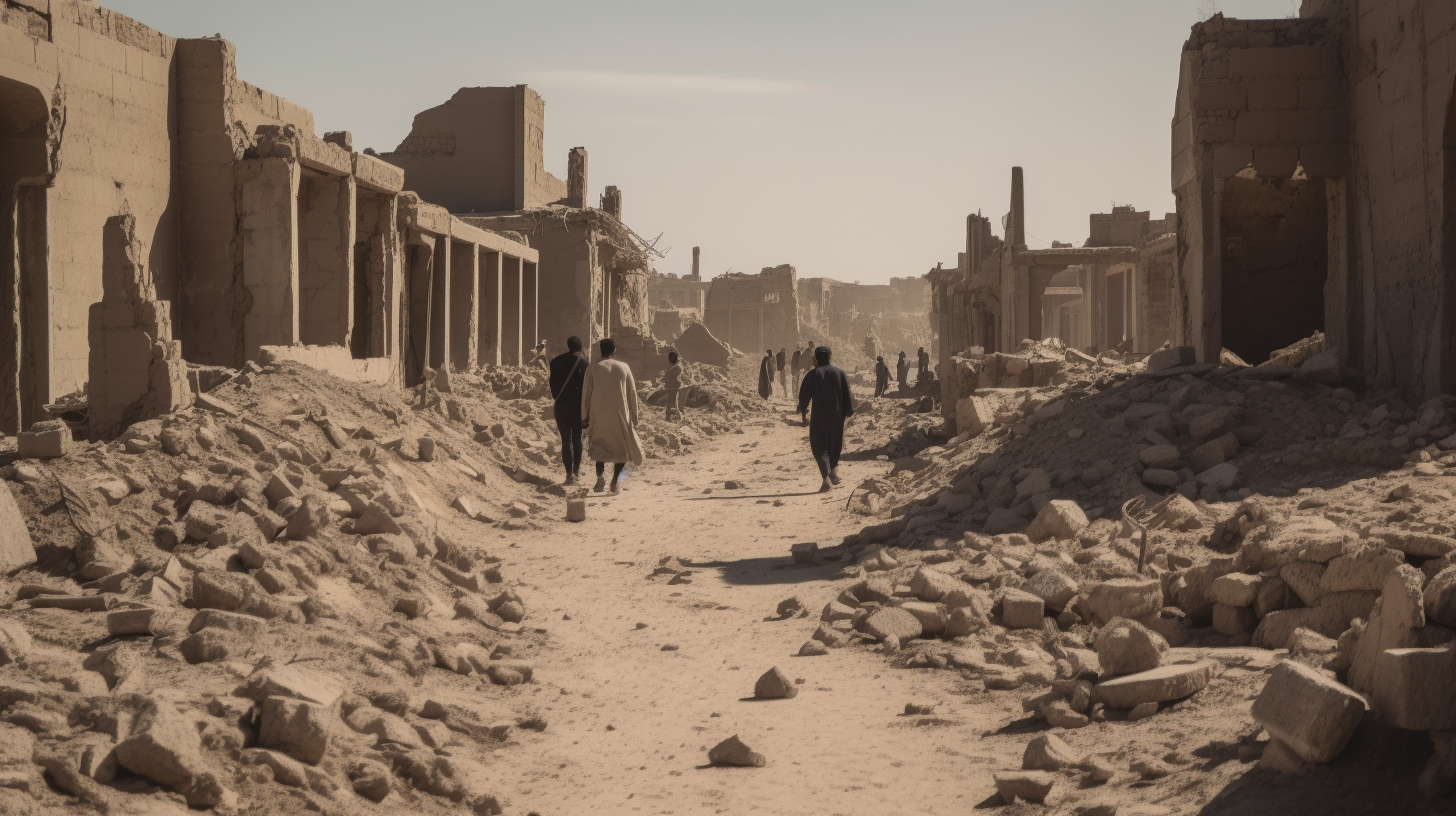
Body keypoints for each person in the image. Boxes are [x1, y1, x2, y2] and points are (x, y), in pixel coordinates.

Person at [582, 338, 644, 494]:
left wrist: (584, 417)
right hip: (620, 416)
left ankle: (599, 478)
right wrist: (635, 417)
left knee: (599, 448)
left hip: (599, 415)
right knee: (622, 451)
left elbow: (586, 395)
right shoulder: (624, 367)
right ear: (614, 351)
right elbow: (632, 394)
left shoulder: (593, 368)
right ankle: (615, 481)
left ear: (601, 351)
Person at [797, 346, 854, 492]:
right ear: (830, 357)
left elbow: (804, 394)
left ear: (816, 358)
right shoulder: (840, 373)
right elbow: (847, 394)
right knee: (834, 444)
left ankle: (826, 479)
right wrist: (848, 411)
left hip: (819, 417)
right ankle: (832, 472)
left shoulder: (814, 374)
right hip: (837, 417)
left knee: (819, 446)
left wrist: (802, 407)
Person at [548, 337, 588, 484]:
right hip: (578, 408)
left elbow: (552, 384)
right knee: (578, 439)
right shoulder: (584, 364)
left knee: (566, 440)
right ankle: (576, 474)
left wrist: (558, 398)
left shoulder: (555, 362)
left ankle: (568, 474)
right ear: (580, 348)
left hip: (561, 405)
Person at [663, 351, 684, 421]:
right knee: (672, 402)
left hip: (674, 388)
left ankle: (672, 418)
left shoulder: (676, 368)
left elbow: (677, 378)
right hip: (673, 388)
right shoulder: (676, 367)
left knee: (672, 403)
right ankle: (671, 418)